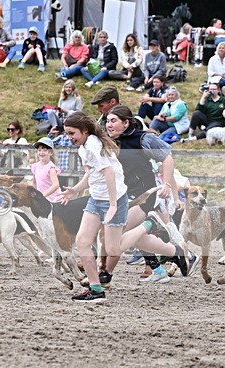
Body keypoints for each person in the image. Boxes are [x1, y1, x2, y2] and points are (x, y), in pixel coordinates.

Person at [59, 112, 190, 302]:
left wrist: (113, 205)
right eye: (67, 133)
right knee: (82, 241)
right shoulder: (84, 146)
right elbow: (94, 175)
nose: (69, 138)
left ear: (85, 131)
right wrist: (75, 190)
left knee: (113, 249)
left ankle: (150, 225)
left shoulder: (94, 145)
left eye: (72, 134)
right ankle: (96, 290)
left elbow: (110, 173)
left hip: (115, 199)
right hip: (96, 199)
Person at [103, 105, 192, 284]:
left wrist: (167, 184)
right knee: (136, 238)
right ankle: (177, 253)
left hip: (145, 195)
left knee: (117, 233)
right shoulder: (111, 142)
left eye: (113, 121)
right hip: (125, 196)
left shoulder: (143, 139)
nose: (108, 125)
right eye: (107, 121)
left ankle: (105, 274)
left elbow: (167, 157)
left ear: (126, 123)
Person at [31, 137, 63, 203]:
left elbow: (56, 185)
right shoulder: (35, 166)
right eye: (39, 150)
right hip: (42, 198)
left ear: (50, 153)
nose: (41, 152)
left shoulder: (51, 168)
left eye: (45, 150)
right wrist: (34, 194)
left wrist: (43, 195)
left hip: (54, 199)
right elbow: (34, 182)